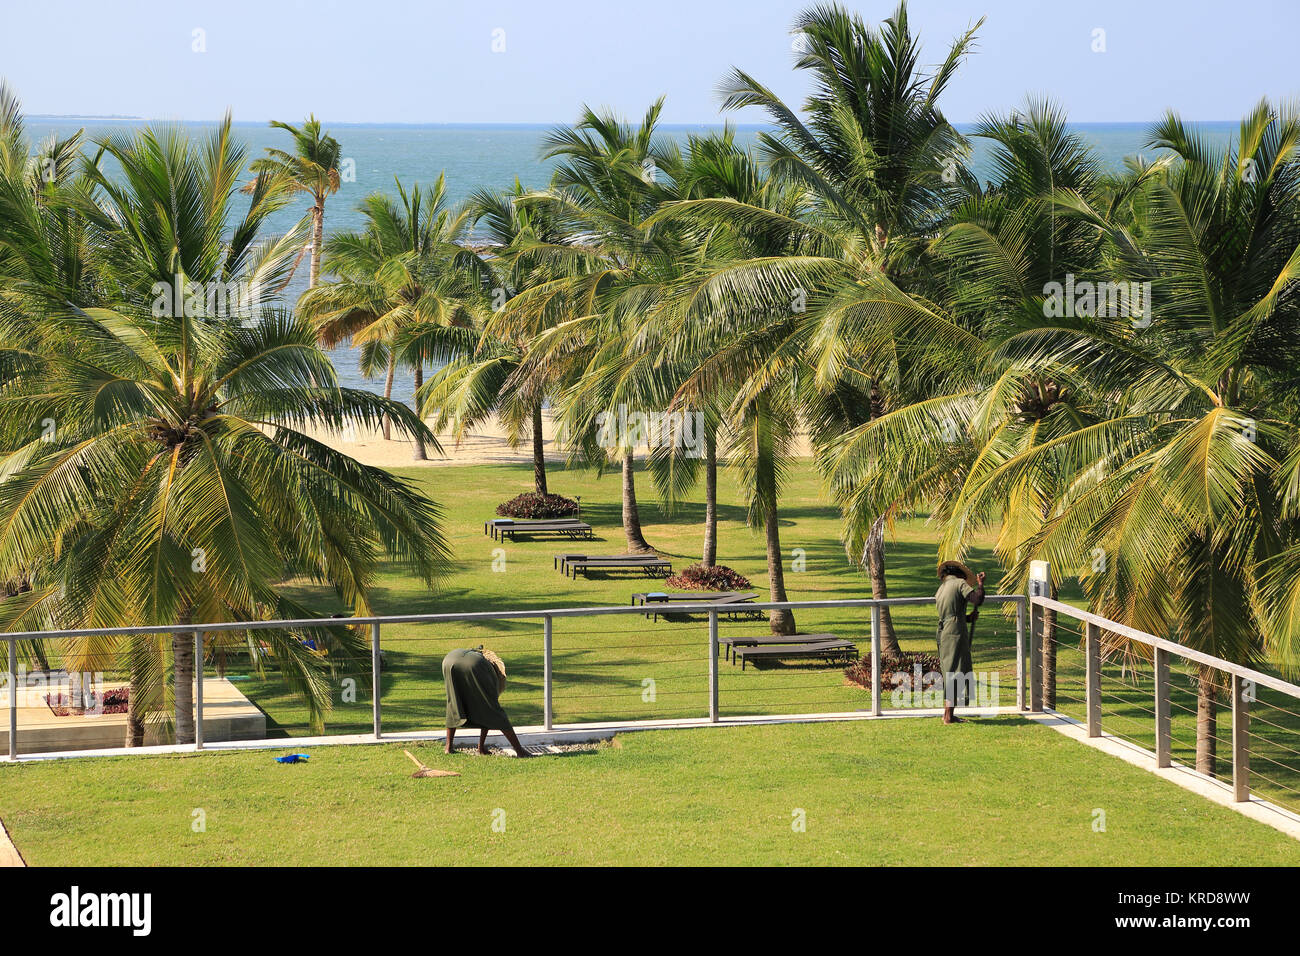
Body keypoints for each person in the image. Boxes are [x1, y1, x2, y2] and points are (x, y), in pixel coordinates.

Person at [441, 647, 532, 757]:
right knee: (493, 708)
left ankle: (448, 748)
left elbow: (484, 711)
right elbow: (488, 708)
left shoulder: (480, 659)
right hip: (473, 664)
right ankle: (520, 751)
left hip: (449, 659)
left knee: (454, 703)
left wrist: (481, 746)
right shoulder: (489, 671)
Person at [934, 560, 985, 724]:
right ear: (958, 573)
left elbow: (951, 613)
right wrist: (980, 584)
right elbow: (977, 600)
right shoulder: (959, 583)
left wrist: (968, 618)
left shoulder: (941, 588)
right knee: (956, 672)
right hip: (955, 633)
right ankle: (948, 716)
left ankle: (948, 713)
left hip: (944, 632)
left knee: (950, 670)